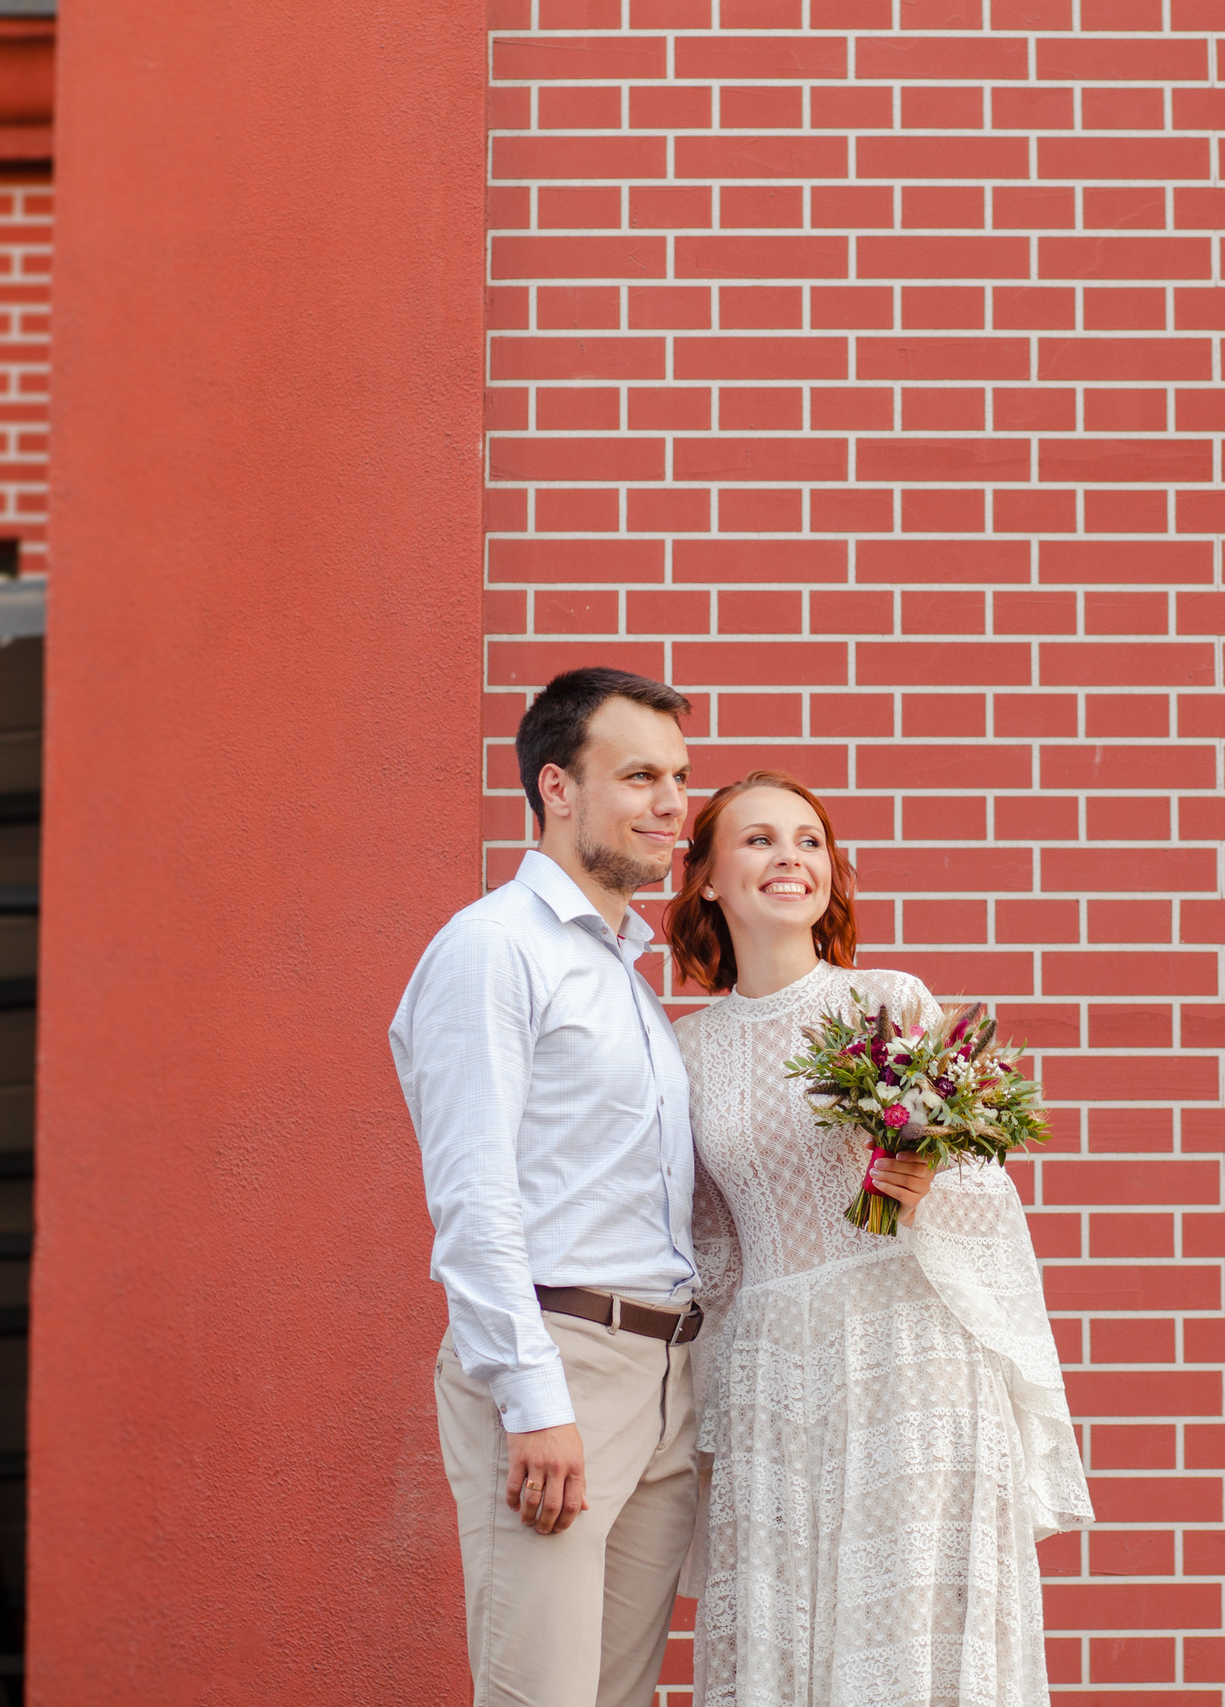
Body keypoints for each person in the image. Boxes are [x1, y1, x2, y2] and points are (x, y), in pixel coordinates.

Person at [665, 769, 1091, 1707]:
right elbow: (709, 1252)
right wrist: (708, 1403)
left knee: (907, 1639)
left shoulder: (888, 1001)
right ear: (705, 878)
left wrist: (927, 1176)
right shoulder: (685, 1051)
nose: (791, 858)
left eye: (810, 841)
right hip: (775, 1374)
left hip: (910, 1356)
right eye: (761, 839)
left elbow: (980, 1195)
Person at [388, 666, 704, 1707]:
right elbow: (473, 1199)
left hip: (659, 1376)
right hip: (558, 1361)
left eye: (679, 778)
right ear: (557, 789)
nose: (671, 805)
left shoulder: (618, 969)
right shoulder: (493, 951)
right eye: (640, 776)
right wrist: (532, 1401)